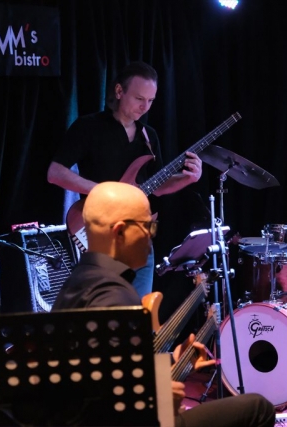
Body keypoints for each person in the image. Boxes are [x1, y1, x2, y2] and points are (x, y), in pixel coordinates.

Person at [52, 182, 276, 427]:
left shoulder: (77, 283)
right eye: (147, 226)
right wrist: (162, 400)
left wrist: (173, 361)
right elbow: (121, 412)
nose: (151, 235)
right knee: (259, 408)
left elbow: (113, 372)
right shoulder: (115, 298)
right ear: (119, 232)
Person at [47, 61, 203, 299]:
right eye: (139, 98)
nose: (145, 107)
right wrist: (105, 192)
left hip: (140, 236)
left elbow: (158, 186)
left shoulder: (148, 136)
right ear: (119, 91)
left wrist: (188, 179)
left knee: (138, 312)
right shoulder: (89, 127)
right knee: (106, 309)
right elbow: (55, 173)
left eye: (150, 100)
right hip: (102, 234)